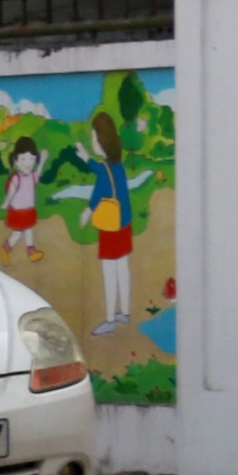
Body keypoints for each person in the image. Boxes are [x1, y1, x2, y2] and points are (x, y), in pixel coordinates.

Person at [83, 112, 134, 337]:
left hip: (110, 227)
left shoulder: (105, 171)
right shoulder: (117, 166)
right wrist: (85, 157)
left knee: (109, 271)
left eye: (94, 137)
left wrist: (87, 211)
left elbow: (98, 194)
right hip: (124, 224)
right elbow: (100, 170)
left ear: (101, 140)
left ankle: (110, 319)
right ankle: (125, 312)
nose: (93, 141)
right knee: (123, 266)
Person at [1, 138, 43, 264]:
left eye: (31, 158)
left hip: (29, 210)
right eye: (23, 159)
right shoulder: (16, 178)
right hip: (18, 211)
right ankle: (5, 248)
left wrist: (43, 161)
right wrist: (6, 203)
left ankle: (31, 252)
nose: (28, 163)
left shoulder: (32, 176)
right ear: (16, 161)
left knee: (29, 230)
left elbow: (38, 173)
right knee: (17, 233)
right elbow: (11, 193)